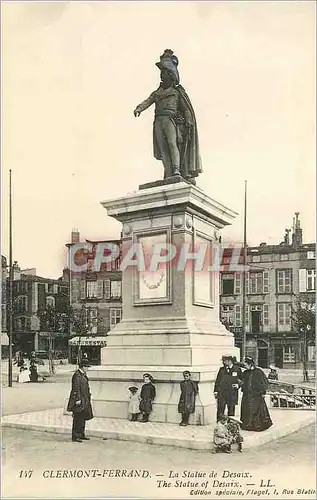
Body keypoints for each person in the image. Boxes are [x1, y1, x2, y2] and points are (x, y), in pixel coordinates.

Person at [134, 49, 202, 183]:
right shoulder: (157, 93)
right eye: (161, 72)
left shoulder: (177, 92)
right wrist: (139, 108)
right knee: (163, 147)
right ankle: (169, 172)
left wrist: (188, 120)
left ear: (171, 75)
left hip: (170, 120)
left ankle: (176, 169)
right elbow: (148, 101)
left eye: (165, 72)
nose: (162, 75)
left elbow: (186, 109)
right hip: (158, 120)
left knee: (172, 144)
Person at [240, 356, 273, 432]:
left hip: (256, 395)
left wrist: (263, 392)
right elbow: (242, 382)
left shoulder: (258, 372)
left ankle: (257, 426)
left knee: (256, 410)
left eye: (245, 365)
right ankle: (247, 425)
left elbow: (264, 382)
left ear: (250, 364)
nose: (244, 367)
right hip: (247, 395)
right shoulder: (245, 373)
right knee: (247, 409)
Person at [67, 360, 94, 442]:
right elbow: (76, 388)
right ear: (83, 366)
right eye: (87, 367)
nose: (87, 368)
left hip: (84, 399)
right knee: (78, 418)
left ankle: (81, 434)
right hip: (79, 400)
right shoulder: (77, 375)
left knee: (83, 417)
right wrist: (77, 399)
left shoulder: (82, 375)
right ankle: (76, 436)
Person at [214, 355, 243, 422]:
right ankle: (219, 425)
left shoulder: (237, 369)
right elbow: (217, 381)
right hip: (222, 393)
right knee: (220, 409)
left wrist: (238, 385)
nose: (223, 362)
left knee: (231, 409)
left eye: (225, 361)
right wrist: (216, 391)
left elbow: (242, 380)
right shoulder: (221, 369)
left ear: (230, 361)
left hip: (232, 393)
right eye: (223, 361)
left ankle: (230, 426)